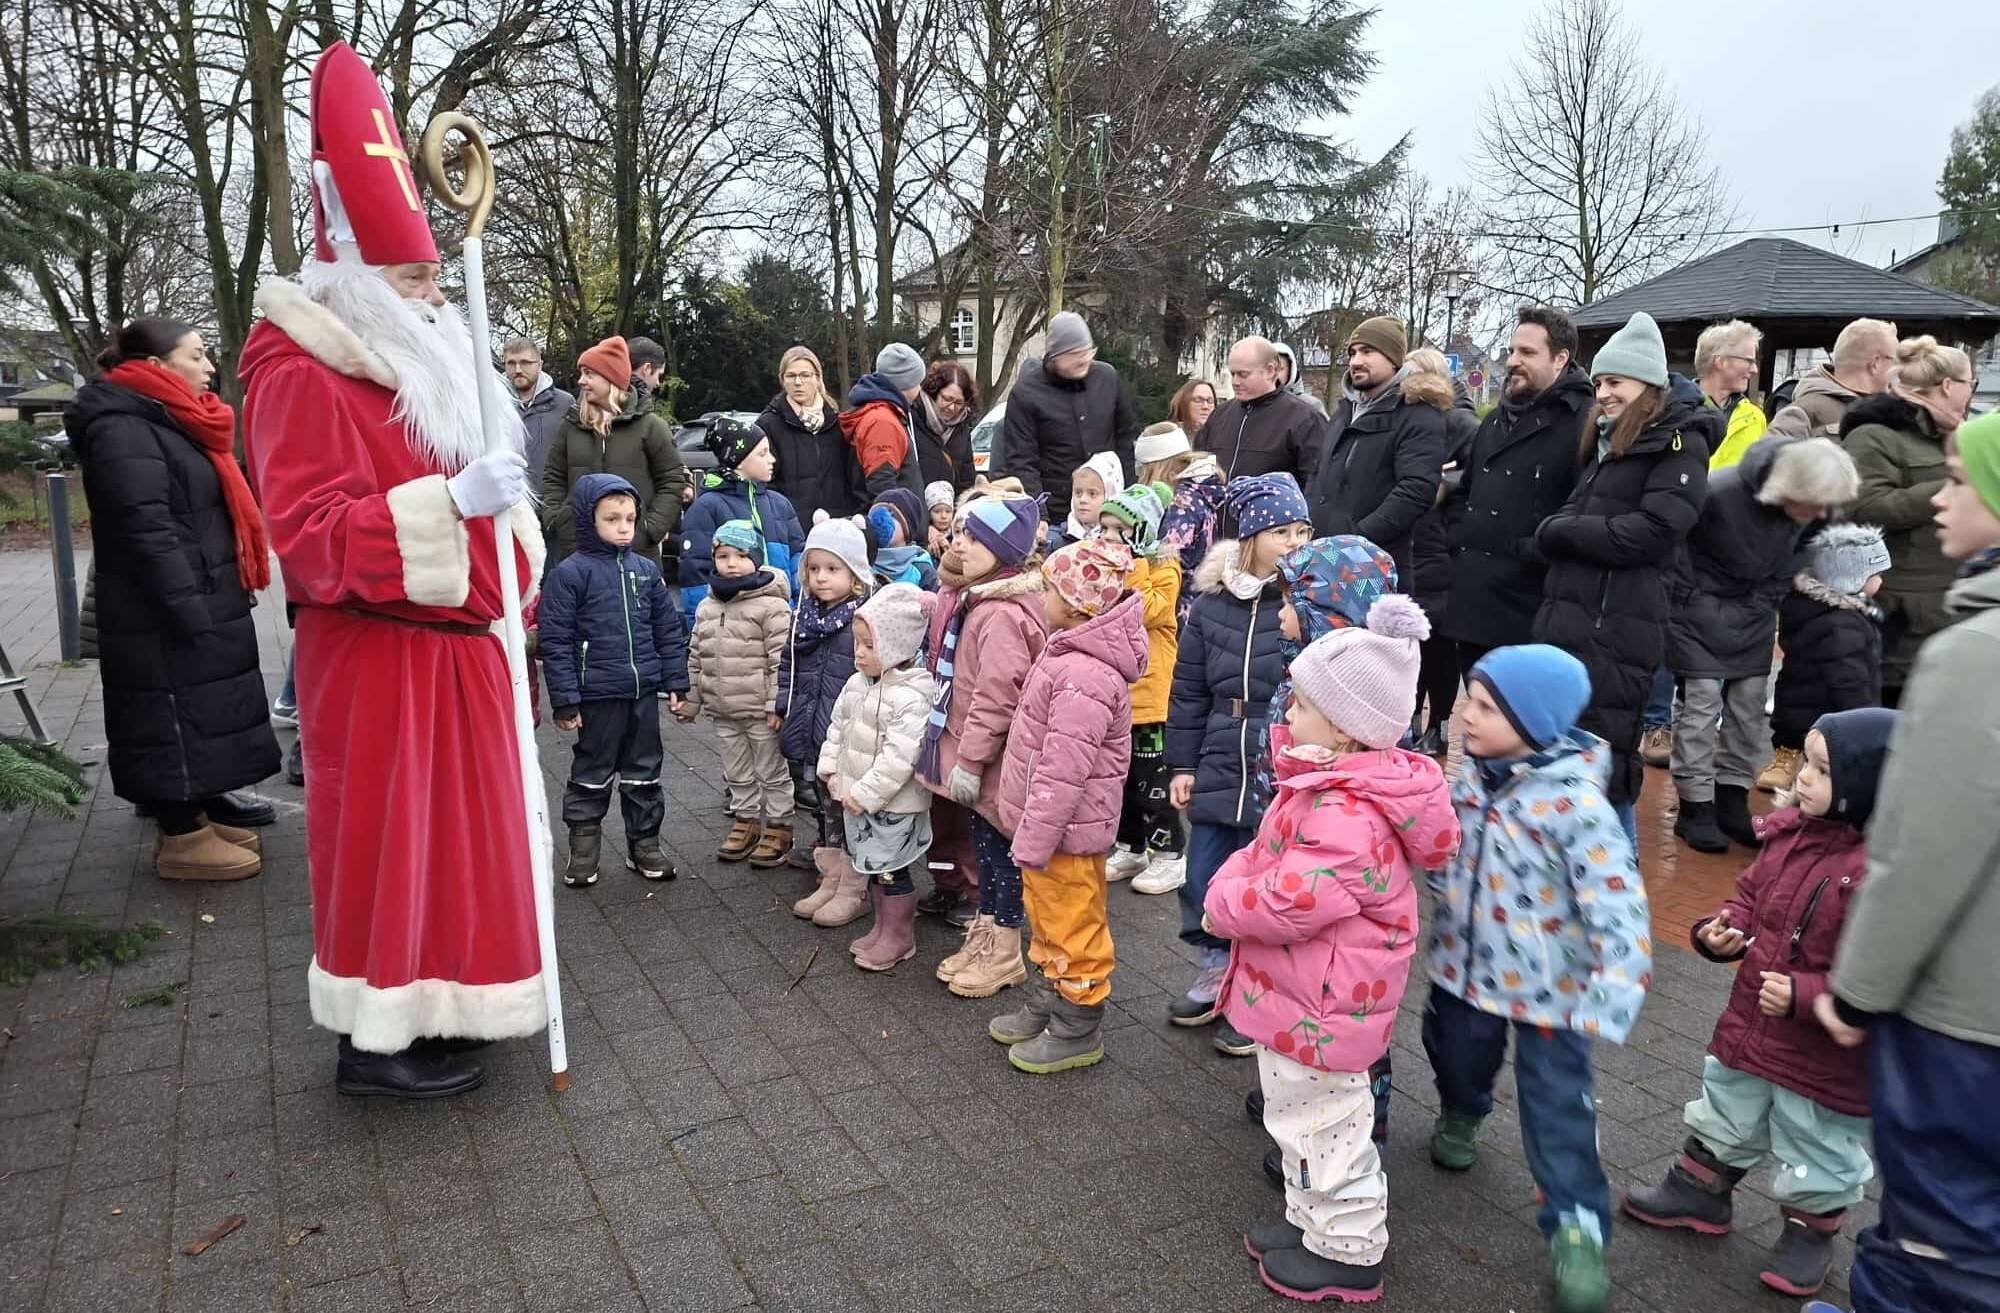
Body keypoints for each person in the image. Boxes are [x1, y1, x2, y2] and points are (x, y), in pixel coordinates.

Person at [239, 43, 550, 1098]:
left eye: (431, 276)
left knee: (459, 849)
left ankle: (448, 1005)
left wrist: (506, 531)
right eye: (413, 277)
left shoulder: (427, 359)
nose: (432, 291)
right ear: (357, 279)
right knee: (390, 847)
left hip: (461, 653)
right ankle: (374, 1044)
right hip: (382, 659)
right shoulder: (299, 371)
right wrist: (449, 505)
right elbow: (312, 537)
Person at [1215, 599, 1457, 1305]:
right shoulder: (1327, 785)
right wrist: (1240, 878)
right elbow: (1268, 856)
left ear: (1346, 728)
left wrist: (1224, 899)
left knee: (1327, 1127)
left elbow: (1289, 897)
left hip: (1323, 1003)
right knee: (1300, 1119)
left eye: (1302, 705)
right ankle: (1312, 1224)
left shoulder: (1348, 812)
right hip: (1307, 996)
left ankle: (1349, 1249)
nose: (1288, 713)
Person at [1811, 410, 2000, 1313]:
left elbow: (1926, 847)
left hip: (1966, 1010)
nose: (1939, 500)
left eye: (1960, 481)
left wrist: (1858, 990)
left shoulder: (1977, 653)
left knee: (1936, 1232)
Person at [1624, 708, 1894, 1298]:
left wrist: (1808, 994)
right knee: (1726, 1105)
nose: (1803, 778)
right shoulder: (1790, 833)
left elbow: (1882, 971)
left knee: (1816, 1139)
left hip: (1824, 1050)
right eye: (1805, 764)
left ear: (1868, 784)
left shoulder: (1883, 874)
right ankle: (1700, 1189)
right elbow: (1750, 897)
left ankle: (1809, 1231)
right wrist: (1721, 928)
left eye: (1823, 771)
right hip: (1753, 1022)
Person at [1424, 646, 1651, 1313]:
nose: (1466, 715)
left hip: (1553, 994)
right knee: (1455, 1053)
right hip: (1464, 971)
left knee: (1559, 1110)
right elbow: (1439, 846)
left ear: (1534, 721)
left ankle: (1577, 1230)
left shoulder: (1577, 806)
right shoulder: (1467, 781)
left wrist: (1614, 989)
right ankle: (1463, 1106)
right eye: (1468, 700)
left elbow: (1619, 906)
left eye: (1485, 707)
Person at [71, 315, 282, 881]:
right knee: (167, 714)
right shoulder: (123, 428)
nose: (210, 366)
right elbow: (145, 528)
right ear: (155, 366)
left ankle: (201, 809)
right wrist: (186, 604)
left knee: (200, 710)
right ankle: (182, 835)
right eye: (196, 355)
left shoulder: (170, 417)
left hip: (198, 591)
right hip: (161, 607)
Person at [1533, 311, 1714, 841]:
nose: (1604, 394)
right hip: (1578, 617)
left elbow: (1656, 531)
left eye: (1615, 382)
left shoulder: (1678, 442)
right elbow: (1579, 515)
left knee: (1606, 765)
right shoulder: (1610, 442)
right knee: (1569, 756)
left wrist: (1564, 533)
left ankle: (1618, 876)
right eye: (1599, 384)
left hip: (1619, 624)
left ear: (1646, 384)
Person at [987, 537, 1145, 1073]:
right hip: (1050, 829)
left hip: (1064, 833)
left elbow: (1063, 769)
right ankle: (1051, 997)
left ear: (1078, 605)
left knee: (1074, 924)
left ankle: (1078, 1024)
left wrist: (1033, 835)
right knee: (1049, 916)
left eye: (1050, 590)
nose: (1042, 598)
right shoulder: (1069, 655)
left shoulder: (1085, 675)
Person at [1167, 474, 1312, 1055]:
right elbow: (1188, 690)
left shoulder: (1302, 605)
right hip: (1220, 749)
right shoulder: (1209, 606)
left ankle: (1256, 991)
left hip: (1279, 756)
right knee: (1204, 872)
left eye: (1303, 531)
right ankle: (1213, 967)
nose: (1295, 543)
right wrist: (1182, 764)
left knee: (1267, 881)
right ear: (1251, 536)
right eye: (1282, 532)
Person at [1666, 437, 1859, 853]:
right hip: (1699, 606)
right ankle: (1694, 805)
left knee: (1748, 706)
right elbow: (1675, 550)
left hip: (1754, 608)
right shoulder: (1718, 492)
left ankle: (1731, 796)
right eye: (1814, 504)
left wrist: (1767, 598)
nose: (1821, 514)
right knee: (1700, 705)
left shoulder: (1813, 509)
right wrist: (1689, 601)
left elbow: (1802, 553)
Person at [923, 496, 1049, 998]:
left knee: (1000, 853)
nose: (959, 544)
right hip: (985, 758)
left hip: (997, 760)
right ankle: (987, 933)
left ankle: (1004, 950)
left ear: (1002, 551)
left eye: (974, 538)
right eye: (959, 534)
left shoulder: (1000, 614)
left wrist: (971, 761)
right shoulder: (981, 602)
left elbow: (995, 698)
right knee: (985, 843)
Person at [539, 473, 689, 887]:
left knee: (644, 771)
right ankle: (584, 847)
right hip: (597, 694)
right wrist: (565, 700)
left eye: (630, 519)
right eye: (612, 519)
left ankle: (644, 844)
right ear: (588, 520)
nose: (624, 528)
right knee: (592, 769)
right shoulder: (570, 574)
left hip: (642, 693)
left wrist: (676, 682)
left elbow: (667, 630)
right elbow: (556, 640)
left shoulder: (646, 570)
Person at [1440, 306, 1593, 678]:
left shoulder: (1583, 422)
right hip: (1474, 602)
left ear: (1560, 358)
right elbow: (1467, 489)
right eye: (1511, 351)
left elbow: (1584, 509)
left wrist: (1529, 549)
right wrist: (1460, 535)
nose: (1512, 361)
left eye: (1527, 352)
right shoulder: (1495, 419)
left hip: (1531, 608)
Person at [1839, 335, 1975, 706]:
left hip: (1948, 607)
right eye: (1970, 383)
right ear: (1948, 386)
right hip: (1898, 617)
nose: (1971, 393)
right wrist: (1953, 484)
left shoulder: (1959, 435)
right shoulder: (1873, 435)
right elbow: (1863, 509)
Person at [818, 583, 939, 973]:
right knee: (872, 865)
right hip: (858, 798)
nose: (859, 652)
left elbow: (899, 758)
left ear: (897, 645)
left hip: (892, 805)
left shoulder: (913, 696)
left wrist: (865, 793)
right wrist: (831, 769)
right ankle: (882, 927)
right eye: (857, 643)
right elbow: (837, 729)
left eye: (869, 645)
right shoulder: (857, 683)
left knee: (891, 870)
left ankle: (899, 934)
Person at [677, 520, 795, 866]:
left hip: (760, 710)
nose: (731, 563)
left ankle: (780, 824)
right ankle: (746, 820)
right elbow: (697, 656)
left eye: (741, 555)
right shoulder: (707, 606)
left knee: (772, 771)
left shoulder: (771, 606)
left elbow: (780, 659)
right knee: (737, 771)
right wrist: (691, 701)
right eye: (723, 555)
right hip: (723, 709)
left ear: (756, 559)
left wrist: (776, 704)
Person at [1306, 316, 1447, 586]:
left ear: (1393, 359)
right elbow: (1318, 474)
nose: (1356, 361)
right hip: (1325, 560)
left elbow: (1416, 491)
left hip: (1374, 570)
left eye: (1367, 351)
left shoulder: (1418, 415)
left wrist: (1358, 540)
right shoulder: (1344, 412)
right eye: (1352, 352)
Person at [783, 519, 873, 926]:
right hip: (811, 725)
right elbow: (788, 665)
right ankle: (832, 875)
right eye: (814, 568)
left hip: (850, 735)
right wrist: (781, 705)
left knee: (848, 808)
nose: (821, 577)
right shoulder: (802, 617)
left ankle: (855, 886)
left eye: (832, 568)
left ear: (855, 573)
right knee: (824, 803)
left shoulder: (863, 620)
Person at [1098, 483, 1185, 894]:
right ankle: (1130, 846)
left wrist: (1132, 566)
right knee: (1121, 779)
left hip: (1150, 701)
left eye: (1120, 530)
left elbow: (1147, 610)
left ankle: (1170, 854)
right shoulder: (1108, 567)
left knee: (1152, 782)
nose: (1109, 537)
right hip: (1119, 697)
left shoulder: (1163, 569)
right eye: (1104, 529)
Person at [1761, 525, 1891, 792]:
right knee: (1819, 752)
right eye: (1876, 574)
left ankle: (1792, 759)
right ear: (1853, 578)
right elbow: (1850, 679)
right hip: (1825, 708)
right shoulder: (1842, 624)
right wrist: (1864, 716)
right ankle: (1799, 766)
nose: (1881, 581)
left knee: (1796, 729)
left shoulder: (1840, 611)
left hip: (1800, 700)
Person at [541, 335, 690, 564]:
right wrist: (559, 520)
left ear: (610, 378)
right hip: (578, 554)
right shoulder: (570, 427)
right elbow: (553, 477)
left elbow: (672, 480)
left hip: (636, 555)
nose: (581, 381)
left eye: (589, 374)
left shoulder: (651, 426)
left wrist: (649, 528)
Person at [1401, 347, 1479, 754]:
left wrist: (1445, 485)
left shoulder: (1462, 423)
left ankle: (1440, 724)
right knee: (1408, 641)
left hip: (1443, 546)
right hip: (1410, 540)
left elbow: (1479, 474)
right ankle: (1410, 716)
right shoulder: (1403, 420)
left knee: (1440, 645)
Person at [997, 311, 1136, 510]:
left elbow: (1125, 441)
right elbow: (1022, 460)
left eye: (1087, 352)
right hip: (1055, 506)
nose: (1083, 360)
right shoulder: (1026, 393)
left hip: (1108, 507)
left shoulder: (1107, 378)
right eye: (1074, 354)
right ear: (1054, 355)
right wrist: (1038, 512)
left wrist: (1127, 500)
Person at [678, 413, 805, 626]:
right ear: (738, 461)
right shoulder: (707, 507)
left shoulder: (780, 505)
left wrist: (800, 614)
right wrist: (701, 629)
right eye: (762, 453)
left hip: (782, 622)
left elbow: (798, 564)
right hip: (733, 630)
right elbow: (695, 576)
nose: (772, 459)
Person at [757, 344, 864, 527]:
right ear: (782, 380)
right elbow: (764, 483)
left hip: (838, 526)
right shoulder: (768, 425)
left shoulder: (839, 423)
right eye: (791, 376)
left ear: (818, 379)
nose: (798, 382)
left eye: (805, 375)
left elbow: (855, 479)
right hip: (791, 528)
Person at [1197, 336, 1325, 481]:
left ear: (1270, 371)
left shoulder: (1305, 419)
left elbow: (1317, 482)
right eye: (1233, 374)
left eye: (1243, 374)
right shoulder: (1219, 415)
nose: (1235, 382)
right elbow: (1199, 469)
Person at [1767, 318, 1898, 439]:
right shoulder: (1802, 413)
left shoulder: (1893, 414)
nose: (1899, 369)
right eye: (1896, 361)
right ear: (1875, 363)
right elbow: (1765, 454)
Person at [840, 342, 928, 500]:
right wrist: (897, 515)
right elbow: (882, 485)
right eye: (917, 382)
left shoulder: (886, 414)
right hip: (896, 515)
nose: (920, 388)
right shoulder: (882, 422)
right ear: (905, 383)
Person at [1694, 319, 1769, 470]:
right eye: (1749, 361)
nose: (1754, 370)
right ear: (1720, 361)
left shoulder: (1755, 417)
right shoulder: (1677, 411)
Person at [502, 337, 573, 485]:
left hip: (550, 495)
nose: (518, 370)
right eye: (511, 363)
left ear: (539, 365)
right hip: (506, 494)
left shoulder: (564, 403)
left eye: (525, 363)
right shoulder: (492, 404)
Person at [913, 360, 979, 492]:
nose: (951, 408)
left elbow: (967, 479)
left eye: (959, 403)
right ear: (934, 392)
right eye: (947, 399)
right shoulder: (913, 418)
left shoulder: (962, 428)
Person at [1047, 451, 1123, 552]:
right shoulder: (1058, 544)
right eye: (1078, 493)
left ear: (1110, 496)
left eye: (1092, 494)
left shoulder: (1120, 544)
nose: (1082, 500)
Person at [1271, 340, 1328, 417]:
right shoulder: (1256, 407)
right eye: (1270, 369)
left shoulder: (1311, 406)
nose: (1275, 374)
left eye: (1280, 369)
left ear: (1290, 371)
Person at [626, 334, 669, 416]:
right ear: (647, 368)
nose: (657, 383)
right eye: (658, 376)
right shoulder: (646, 420)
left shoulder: (604, 400)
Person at [923, 481, 955, 557]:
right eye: (937, 511)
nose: (943, 516)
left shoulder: (957, 535)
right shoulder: (924, 536)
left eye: (948, 511)